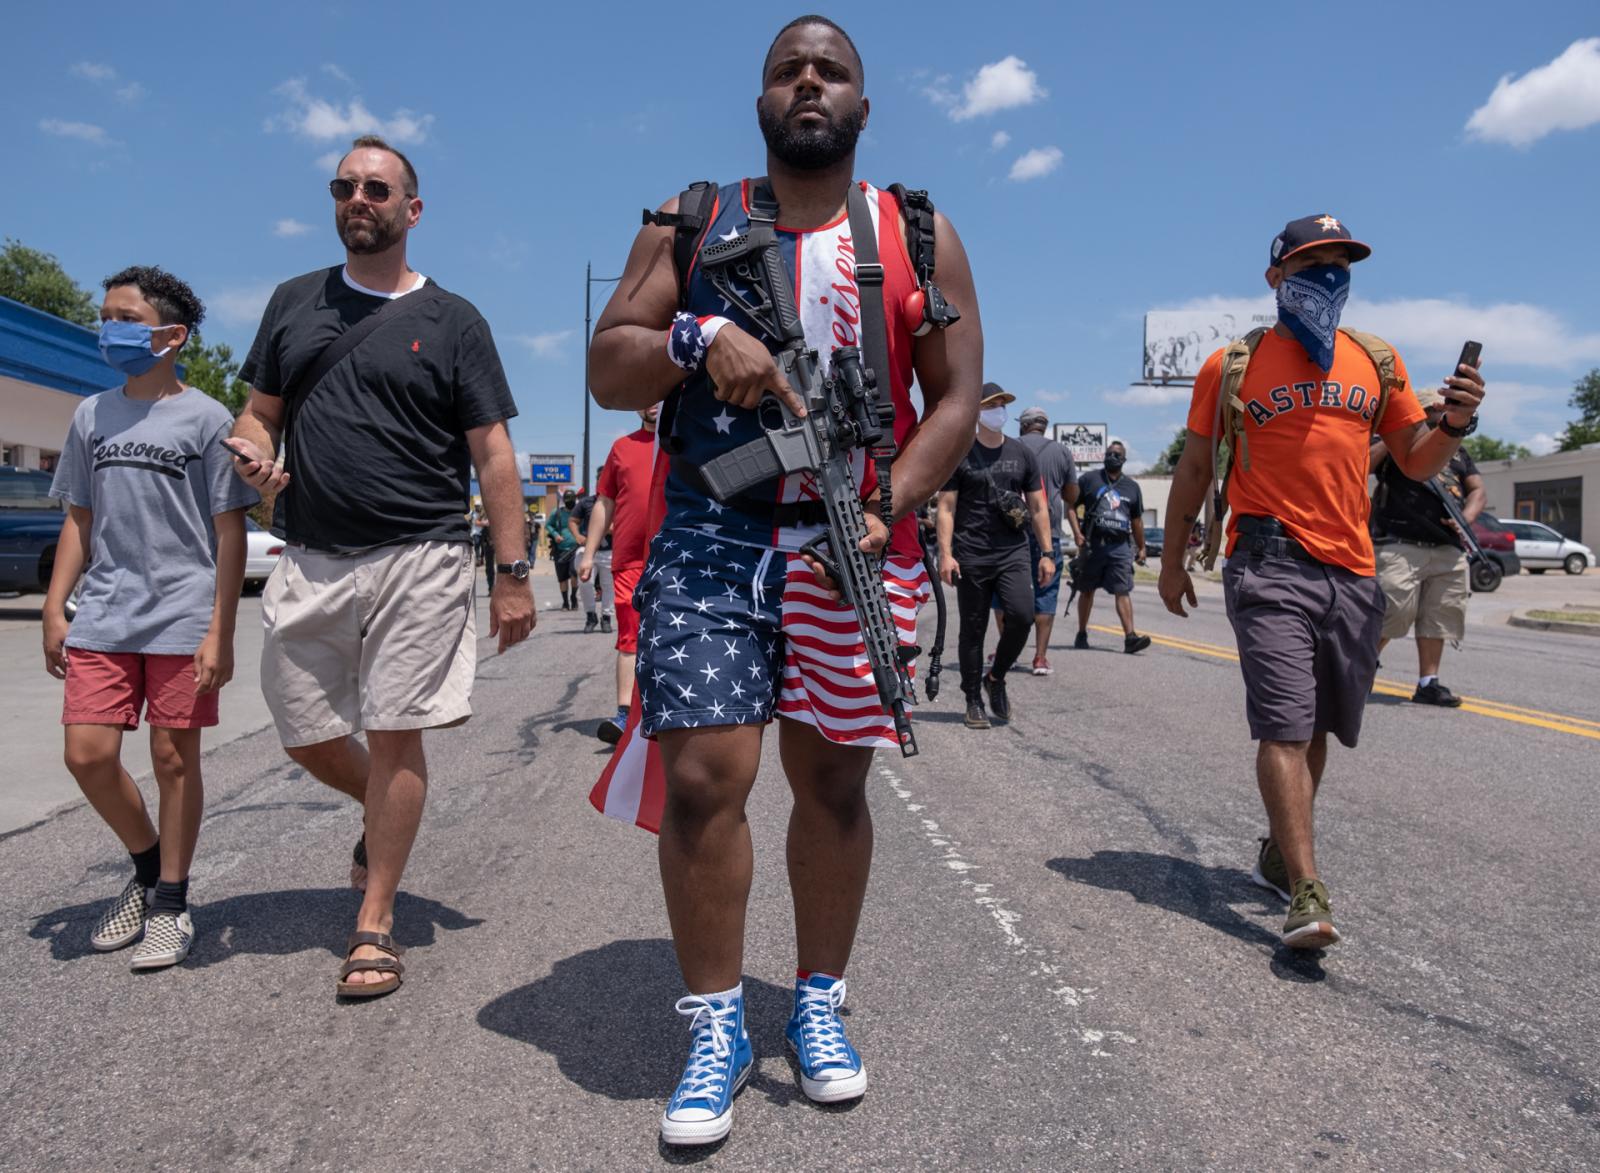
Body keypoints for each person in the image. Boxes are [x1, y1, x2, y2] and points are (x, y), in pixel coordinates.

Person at [589, 15, 982, 1146]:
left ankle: (818, 1001)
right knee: (707, 782)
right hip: (713, 533)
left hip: (855, 537)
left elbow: (955, 395)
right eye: (787, 70)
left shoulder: (915, 230)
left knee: (835, 788)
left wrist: (887, 501)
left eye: (831, 71)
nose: (809, 83)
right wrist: (695, 336)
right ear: (761, 99)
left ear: (862, 102)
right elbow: (610, 363)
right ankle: (715, 1022)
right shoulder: (692, 219)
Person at [227, 134, 534, 997]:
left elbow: (494, 452)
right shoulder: (293, 303)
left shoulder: (453, 319)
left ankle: (374, 920)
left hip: (423, 552)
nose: (358, 198)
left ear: (411, 208)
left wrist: (510, 573)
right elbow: (259, 415)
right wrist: (251, 451)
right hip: (312, 553)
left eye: (375, 187)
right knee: (304, 728)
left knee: (398, 727)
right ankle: (382, 812)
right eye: (344, 186)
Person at [1158, 213, 1486, 949]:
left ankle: (1279, 847)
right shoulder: (1231, 365)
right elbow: (1193, 468)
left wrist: (1456, 423)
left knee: (1319, 726)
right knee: (1283, 720)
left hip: (1353, 566)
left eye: (1340, 264)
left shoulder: (1376, 359)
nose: (1328, 277)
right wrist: (1175, 557)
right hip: (1267, 559)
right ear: (1276, 277)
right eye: (1312, 264)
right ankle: (1306, 890)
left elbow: (1415, 460)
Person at [41, 266, 258, 970]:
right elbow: (80, 514)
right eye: (106, 314)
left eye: (125, 317)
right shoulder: (91, 415)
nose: (110, 328)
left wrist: (220, 629)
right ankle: (144, 866)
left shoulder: (206, 418)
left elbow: (229, 532)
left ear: (171, 335)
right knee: (88, 755)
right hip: (104, 611)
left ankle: (171, 899)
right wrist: (54, 601)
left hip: (181, 613)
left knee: (172, 759)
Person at [936, 386, 1055, 729]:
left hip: (1013, 551)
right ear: (977, 411)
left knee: (1021, 616)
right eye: (992, 404)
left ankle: (996, 678)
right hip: (971, 551)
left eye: (1003, 404)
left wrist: (1046, 553)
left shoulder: (1021, 454)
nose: (999, 410)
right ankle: (973, 698)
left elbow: (1037, 506)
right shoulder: (959, 453)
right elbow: (946, 507)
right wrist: (946, 554)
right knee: (973, 629)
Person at [1371, 383, 1485, 707]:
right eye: (1436, 408)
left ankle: (1428, 682)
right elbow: (1363, 464)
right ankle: (1364, 667)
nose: (1443, 412)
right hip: (1399, 543)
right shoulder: (1395, 444)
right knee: (1392, 611)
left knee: (1441, 616)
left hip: (1447, 547)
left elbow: (1478, 490)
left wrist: (1466, 517)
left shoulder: (1459, 450)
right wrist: (1398, 434)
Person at [584, 404, 659, 744]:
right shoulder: (622, 448)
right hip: (629, 560)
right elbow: (604, 503)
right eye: (645, 396)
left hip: (677, 558)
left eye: (659, 394)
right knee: (630, 638)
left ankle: (666, 710)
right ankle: (624, 716)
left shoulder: (684, 441)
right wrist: (588, 554)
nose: (653, 402)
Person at [1068, 440, 1151, 654]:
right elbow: (1070, 507)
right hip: (1093, 545)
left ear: (1124, 459)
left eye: (1117, 454)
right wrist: (1077, 534)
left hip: (1120, 547)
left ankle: (1130, 638)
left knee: (1122, 590)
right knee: (1086, 590)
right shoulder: (1089, 480)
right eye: (1109, 453)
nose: (1112, 457)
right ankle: (1081, 632)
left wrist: (1141, 547)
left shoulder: (1132, 487)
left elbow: (1137, 521)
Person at [1015, 406, 1077, 674]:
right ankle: (1040, 657)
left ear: (1023, 425)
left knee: (1007, 592)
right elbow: (1072, 495)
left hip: (1012, 532)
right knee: (1046, 593)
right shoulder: (1061, 452)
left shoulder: (1010, 446)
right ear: (1044, 425)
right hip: (1048, 533)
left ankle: (1008, 650)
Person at [571, 489, 613, 634]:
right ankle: (591, 616)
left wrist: (606, 527)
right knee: (584, 583)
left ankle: (606, 617)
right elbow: (573, 521)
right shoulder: (586, 502)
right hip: (588, 550)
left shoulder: (617, 502)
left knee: (608, 586)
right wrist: (577, 536)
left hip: (610, 551)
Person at [548, 489, 579, 610]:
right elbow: (548, 525)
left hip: (576, 549)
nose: (570, 502)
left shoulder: (579, 512)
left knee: (574, 575)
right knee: (562, 578)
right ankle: (565, 602)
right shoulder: (557, 513)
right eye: (567, 500)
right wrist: (556, 535)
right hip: (560, 550)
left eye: (572, 500)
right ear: (564, 501)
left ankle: (574, 597)